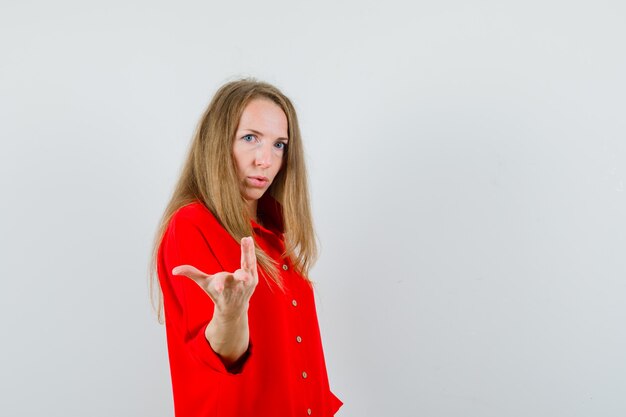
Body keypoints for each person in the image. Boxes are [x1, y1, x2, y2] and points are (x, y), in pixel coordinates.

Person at [149, 79, 343, 417]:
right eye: (250, 138)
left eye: (279, 144)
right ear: (217, 143)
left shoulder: (275, 233)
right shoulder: (192, 224)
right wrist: (230, 313)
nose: (266, 160)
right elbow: (222, 356)